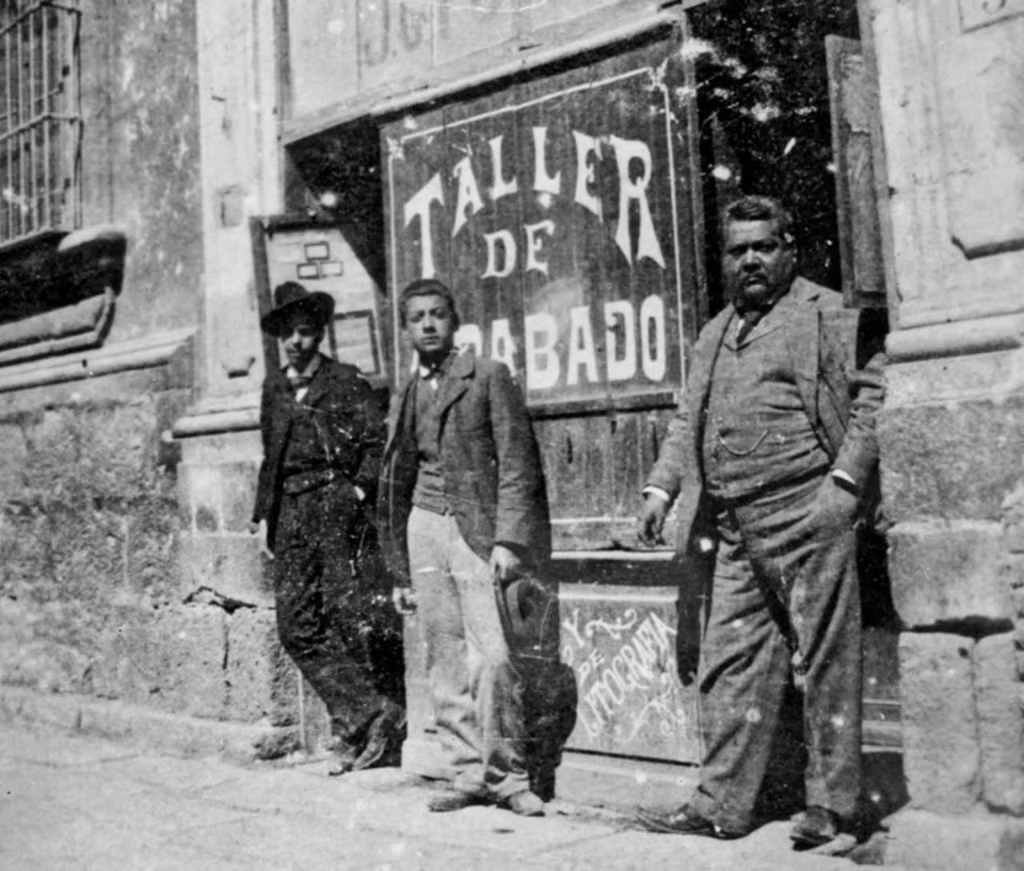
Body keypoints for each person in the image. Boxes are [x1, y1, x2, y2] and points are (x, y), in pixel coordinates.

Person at [635, 196, 885, 848]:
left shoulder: (824, 311)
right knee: (729, 665)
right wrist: (661, 488)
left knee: (827, 660)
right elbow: (687, 420)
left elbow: (876, 385)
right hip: (737, 527)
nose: (750, 259)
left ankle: (833, 809)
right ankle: (721, 802)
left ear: (790, 249)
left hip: (809, 512)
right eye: (738, 249)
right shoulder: (716, 332)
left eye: (763, 246)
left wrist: (846, 481)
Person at [377, 278, 551, 817]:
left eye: (437, 315)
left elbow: (519, 462)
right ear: (404, 329)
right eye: (416, 318)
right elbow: (396, 474)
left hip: (476, 532)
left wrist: (508, 540)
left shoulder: (487, 376)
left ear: (455, 322)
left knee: (495, 656)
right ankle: (467, 771)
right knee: (444, 655)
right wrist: (399, 567)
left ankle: (508, 776)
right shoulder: (407, 391)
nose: (427, 325)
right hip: (424, 525)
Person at [251, 281, 405, 775]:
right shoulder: (274, 388)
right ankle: (370, 712)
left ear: (319, 334)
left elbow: (375, 443)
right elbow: (269, 456)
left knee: (344, 614)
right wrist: (263, 517)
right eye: (288, 333)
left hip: (335, 504)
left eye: (305, 332)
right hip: (291, 510)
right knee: (295, 625)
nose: (296, 342)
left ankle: (353, 731)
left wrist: (358, 492)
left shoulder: (345, 381)